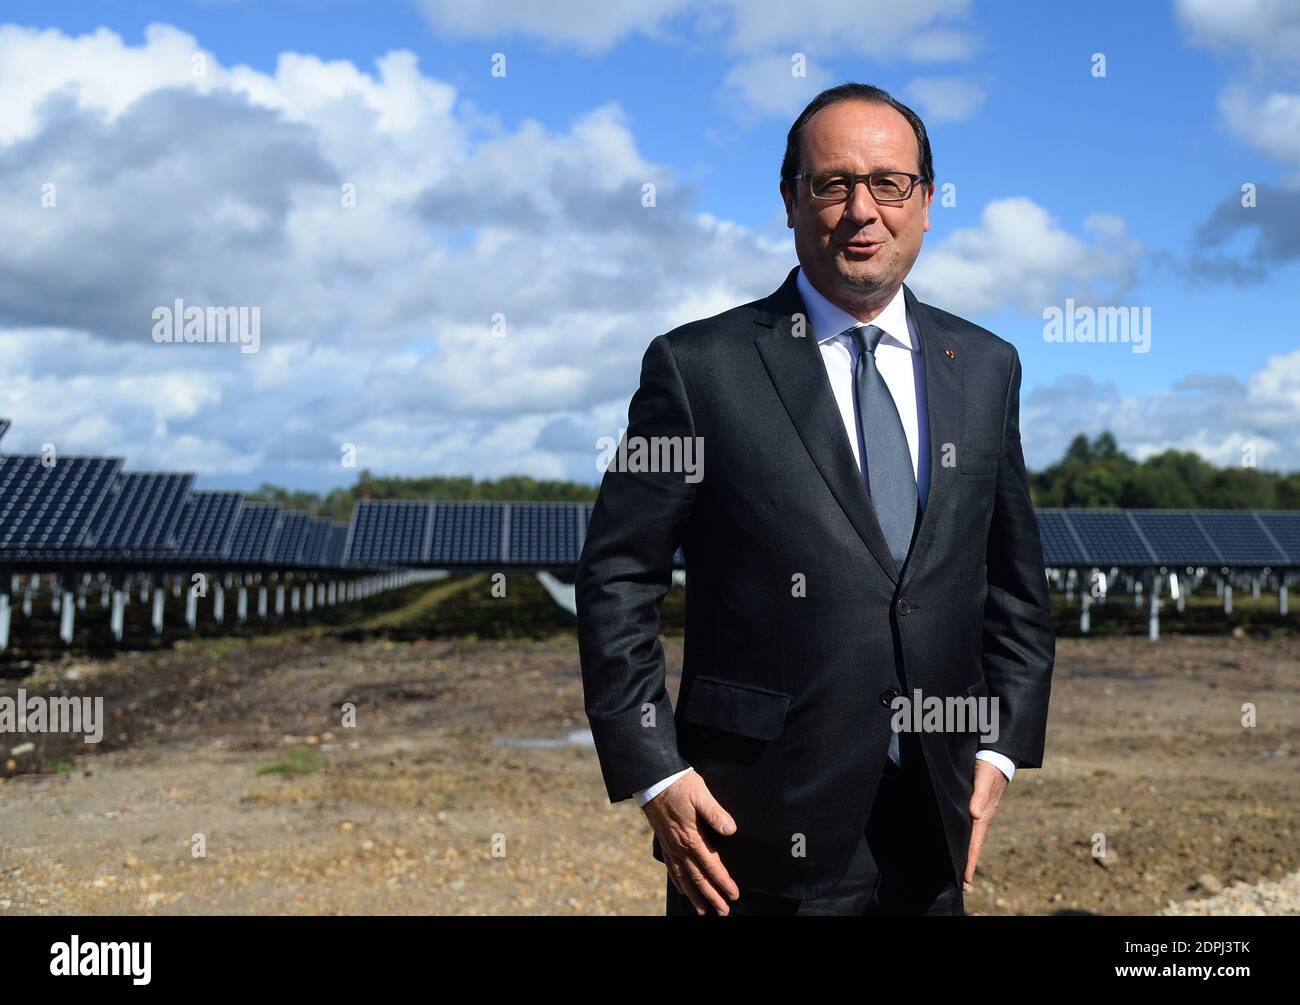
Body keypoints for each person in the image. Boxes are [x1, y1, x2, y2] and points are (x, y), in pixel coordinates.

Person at [576, 82, 1055, 916]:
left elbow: (1014, 581)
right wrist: (654, 767)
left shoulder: (985, 367)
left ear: (928, 203)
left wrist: (1002, 745)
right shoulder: (698, 369)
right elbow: (618, 578)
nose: (861, 209)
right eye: (832, 185)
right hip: (750, 834)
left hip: (931, 827)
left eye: (889, 183)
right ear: (790, 202)